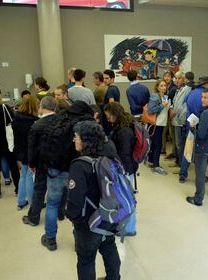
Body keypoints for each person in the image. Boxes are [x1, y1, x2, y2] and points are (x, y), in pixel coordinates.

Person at [66, 121, 121, 280]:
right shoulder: (110, 155)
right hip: (110, 214)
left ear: (84, 140)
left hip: (89, 221)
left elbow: (75, 200)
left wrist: (74, 218)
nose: (74, 140)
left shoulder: (80, 165)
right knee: (109, 247)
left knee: (86, 259)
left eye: (76, 137)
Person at [40, 101, 95, 251]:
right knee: (78, 205)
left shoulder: (58, 120)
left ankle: (50, 239)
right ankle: (78, 241)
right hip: (78, 170)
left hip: (56, 169)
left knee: (52, 204)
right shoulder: (86, 124)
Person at [23, 96, 58, 226]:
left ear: (41, 107)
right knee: (59, 188)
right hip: (59, 162)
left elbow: (31, 149)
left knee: (39, 189)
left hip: (42, 162)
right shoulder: (62, 122)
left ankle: (33, 217)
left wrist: (31, 164)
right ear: (55, 107)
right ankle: (60, 213)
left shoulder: (36, 126)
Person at [104, 102, 138, 236]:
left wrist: (120, 171)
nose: (107, 118)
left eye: (108, 116)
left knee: (127, 199)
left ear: (114, 114)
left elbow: (124, 153)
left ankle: (129, 229)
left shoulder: (123, 131)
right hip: (127, 167)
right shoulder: (123, 125)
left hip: (125, 169)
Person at [179, 76, 208, 183]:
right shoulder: (205, 95)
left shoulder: (192, 92)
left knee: (188, 150)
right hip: (201, 125)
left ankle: (183, 174)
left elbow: (184, 103)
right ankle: (200, 176)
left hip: (190, 123)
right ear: (206, 84)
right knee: (200, 153)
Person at [12, 95, 40, 209]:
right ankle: (33, 202)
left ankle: (21, 201)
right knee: (29, 176)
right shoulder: (34, 122)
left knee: (23, 176)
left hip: (20, 151)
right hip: (30, 152)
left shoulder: (16, 118)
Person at [147, 79, 170, 175]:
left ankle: (152, 161)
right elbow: (151, 110)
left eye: (165, 85)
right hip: (155, 124)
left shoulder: (165, 97)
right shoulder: (154, 97)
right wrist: (162, 106)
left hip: (161, 123)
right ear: (157, 87)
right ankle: (156, 166)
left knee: (155, 144)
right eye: (161, 85)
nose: (164, 87)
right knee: (158, 145)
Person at [171, 71, 191, 170]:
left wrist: (172, 113)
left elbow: (179, 106)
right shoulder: (178, 89)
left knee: (180, 144)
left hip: (180, 120)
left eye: (179, 78)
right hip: (175, 119)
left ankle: (181, 164)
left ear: (184, 79)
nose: (177, 80)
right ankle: (178, 161)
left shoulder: (186, 89)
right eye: (176, 78)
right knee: (176, 143)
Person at [102, 69, 121, 135]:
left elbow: (111, 106)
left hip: (110, 122)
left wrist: (110, 121)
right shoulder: (115, 88)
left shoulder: (110, 90)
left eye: (107, 78)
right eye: (103, 78)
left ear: (112, 79)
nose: (104, 80)